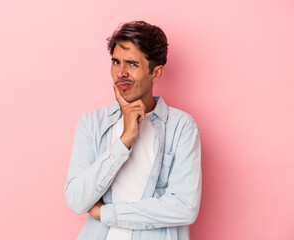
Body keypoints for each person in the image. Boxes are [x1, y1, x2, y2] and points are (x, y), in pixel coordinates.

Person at [64, 21, 202, 240]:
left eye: (132, 64)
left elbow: (185, 207)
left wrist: (107, 212)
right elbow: (76, 200)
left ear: (155, 74)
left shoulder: (181, 127)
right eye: (116, 62)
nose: (120, 73)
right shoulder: (92, 123)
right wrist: (125, 140)